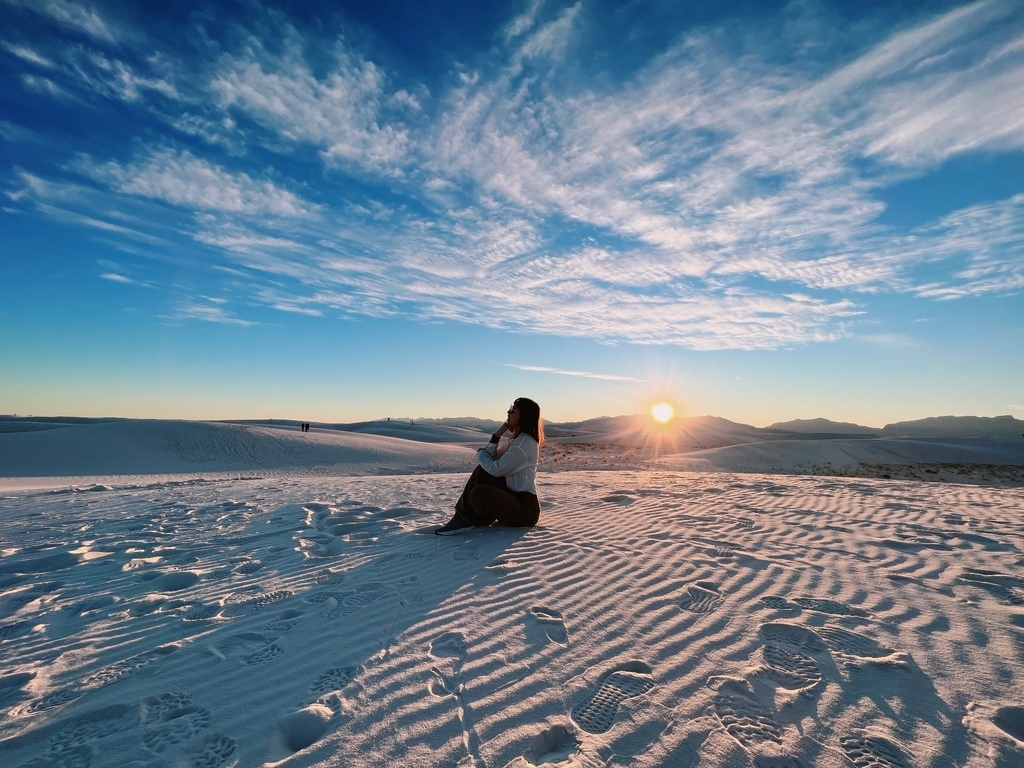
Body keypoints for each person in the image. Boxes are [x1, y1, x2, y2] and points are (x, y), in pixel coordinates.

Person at [435, 397, 543, 535]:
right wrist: (497, 435)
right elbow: (492, 457)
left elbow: (497, 469)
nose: (508, 412)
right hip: (513, 499)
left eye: (513, 410)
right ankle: (463, 518)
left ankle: (465, 519)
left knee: (480, 493)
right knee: (483, 470)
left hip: (525, 510)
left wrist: (480, 455)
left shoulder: (525, 443)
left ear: (525, 415)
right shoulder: (516, 440)